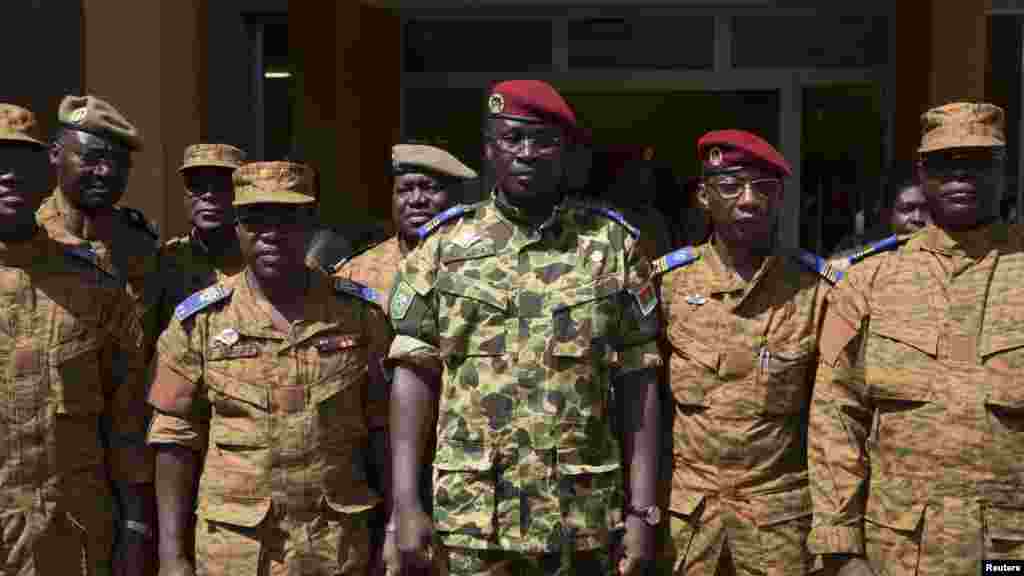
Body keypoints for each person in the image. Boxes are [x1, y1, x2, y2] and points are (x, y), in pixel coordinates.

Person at [387, 79, 662, 576]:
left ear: (566, 151)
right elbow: (414, 373)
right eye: (512, 138)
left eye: (543, 140)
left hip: (581, 519)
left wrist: (643, 511)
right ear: (490, 149)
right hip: (472, 519)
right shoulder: (445, 247)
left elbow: (639, 378)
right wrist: (405, 505)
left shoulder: (610, 247)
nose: (527, 152)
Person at [145, 161, 391, 575]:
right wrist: (172, 554)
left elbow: (385, 429)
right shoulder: (200, 321)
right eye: (256, 221)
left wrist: (394, 525)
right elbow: (174, 439)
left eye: (289, 220)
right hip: (235, 552)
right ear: (236, 226)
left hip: (334, 548)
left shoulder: (360, 316)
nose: (272, 235)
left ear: (311, 223)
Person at [810, 102, 1024, 575]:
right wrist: (842, 550)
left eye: (979, 162)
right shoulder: (869, 281)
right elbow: (835, 416)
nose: (961, 175)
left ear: (1004, 170)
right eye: (947, 162)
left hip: (1009, 552)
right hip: (898, 551)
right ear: (922, 173)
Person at [655, 130, 837, 576]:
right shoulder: (669, 285)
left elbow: (835, 419)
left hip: (779, 529)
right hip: (689, 525)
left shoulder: (817, 291)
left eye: (766, 189)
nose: (750, 200)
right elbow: (645, 407)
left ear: (781, 200)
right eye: (731, 185)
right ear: (704, 195)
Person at [0, 103, 154, 575]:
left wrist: (135, 528)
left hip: (71, 534)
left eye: (21, 163)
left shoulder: (97, 285)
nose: (8, 176)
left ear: (44, 168)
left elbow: (126, 420)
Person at [331, 142, 476, 576]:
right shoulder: (356, 274)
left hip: (461, 457)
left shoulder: (479, 265)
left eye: (429, 188)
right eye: (404, 189)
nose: (416, 200)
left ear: (455, 197)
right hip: (376, 458)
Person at [148, 143, 246, 345]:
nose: (209, 196)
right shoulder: (162, 263)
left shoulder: (261, 263)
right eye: (197, 186)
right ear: (184, 195)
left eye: (222, 187)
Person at [829, 163, 932, 269]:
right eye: (907, 209)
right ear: (887, 212)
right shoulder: (853, 252)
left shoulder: (941, 252)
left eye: (926, 209)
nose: (918, 218)